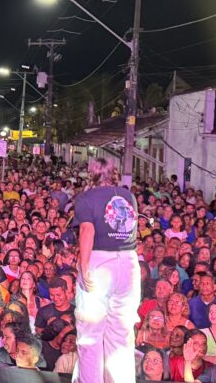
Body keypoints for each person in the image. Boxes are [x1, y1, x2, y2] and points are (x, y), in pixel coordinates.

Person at [73, 158, 141, 383]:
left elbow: (87, 230)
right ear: (114, 173)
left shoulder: (86, 198)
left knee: (90, 335)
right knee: (121, 335)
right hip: (129, 263)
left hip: (101, 261)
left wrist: (84, 266)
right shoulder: (128, 196)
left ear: (90, 173)